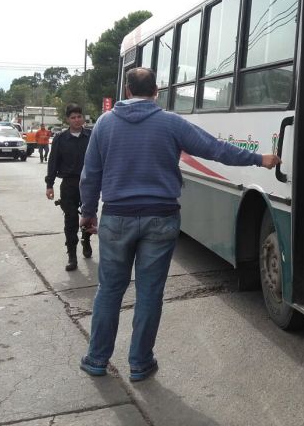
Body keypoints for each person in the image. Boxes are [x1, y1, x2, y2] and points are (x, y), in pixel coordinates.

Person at [78, 67, 280, 382]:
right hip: (161, 217)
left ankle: (97, 360)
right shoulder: (170, 123)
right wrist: (259, 160)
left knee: (109, 291)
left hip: (117, 218)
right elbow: (217, 150)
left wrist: (88, 212)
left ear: (128, 90)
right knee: (149, 293)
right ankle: (140, 364)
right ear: (156, 91)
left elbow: (90, 173)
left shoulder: (105, 124)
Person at [45, 104, 92, 271]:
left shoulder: (91, 136)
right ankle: (72, 255)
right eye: (73, 117)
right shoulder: (60, 138)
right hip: (69, 184)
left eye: (79, 116)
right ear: (67, 120)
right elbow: (53, 162)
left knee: (88, 216)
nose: (77, 120)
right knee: (70, 220)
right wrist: (49, 185)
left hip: (88, 183)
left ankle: (86, 240)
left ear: (83, 118)